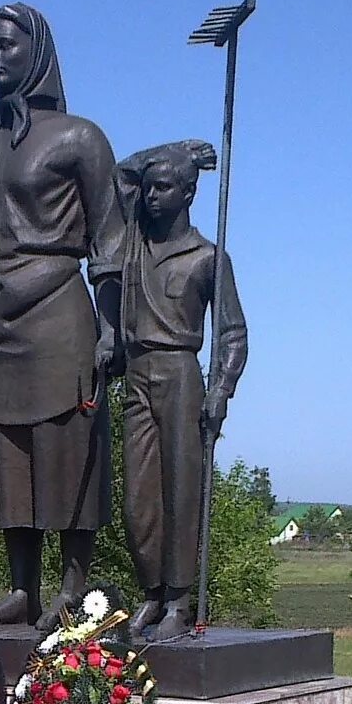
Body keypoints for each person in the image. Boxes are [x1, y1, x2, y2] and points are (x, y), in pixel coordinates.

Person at [0, 2, 125, 629]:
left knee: (64, 448)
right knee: (6, 454)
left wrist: (110, 327)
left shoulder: (81, 136)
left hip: (55, 309)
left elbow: (110, 240)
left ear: (38, 52)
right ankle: (23, 587)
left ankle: (74, 587)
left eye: (7, 45)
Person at [113, 140, 248, 640]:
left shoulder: (209, 258)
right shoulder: (134, 244)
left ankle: (177, 599)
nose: (150, 195)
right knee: (138, 499)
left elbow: (233, 332)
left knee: (182, 492)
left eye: (164, 186)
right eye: (149, 187)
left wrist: (222, 389)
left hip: (181, 374)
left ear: (189, 192)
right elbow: (119, 176)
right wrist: (173, 148)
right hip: (137, 374)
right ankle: (150, 591)